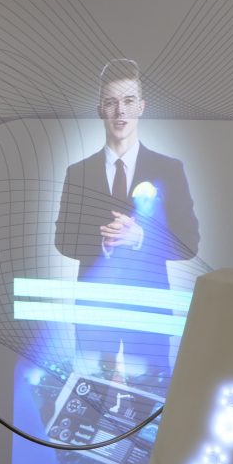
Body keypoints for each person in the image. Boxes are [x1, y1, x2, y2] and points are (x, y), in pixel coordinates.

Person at [54, 58, 199, 381]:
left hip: (148, 310)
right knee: (91, 396)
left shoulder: (169, 169)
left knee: (150, 397)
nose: (120, 111)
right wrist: (104, 240)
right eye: (111, 102)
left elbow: (190, 242)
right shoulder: (77, 173)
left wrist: (140, 239)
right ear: (100, 110)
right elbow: (62, 239)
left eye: (129, 101)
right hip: (95, 311)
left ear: (142, 107)